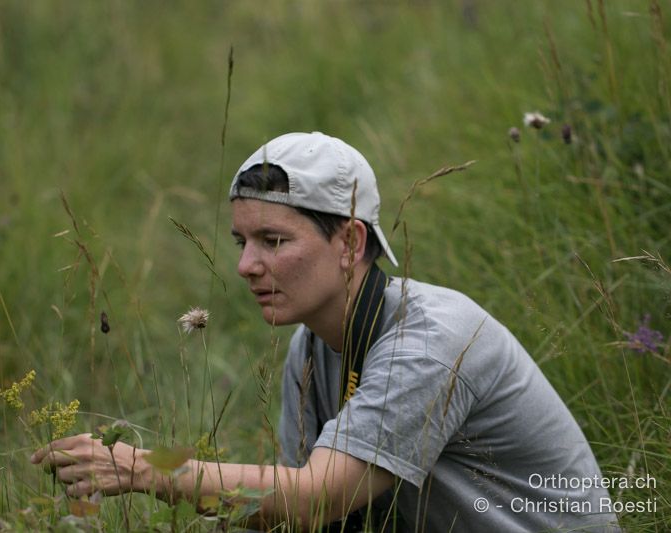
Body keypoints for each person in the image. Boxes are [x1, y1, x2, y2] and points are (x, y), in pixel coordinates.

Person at [32, 132, 620, 531]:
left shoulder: (435, 340)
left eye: (274, 241)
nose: (246, 266)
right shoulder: (310, 346)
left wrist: (145, 469)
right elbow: (289, 514)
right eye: (243, 242)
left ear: (350, 243)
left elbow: (317, 499)